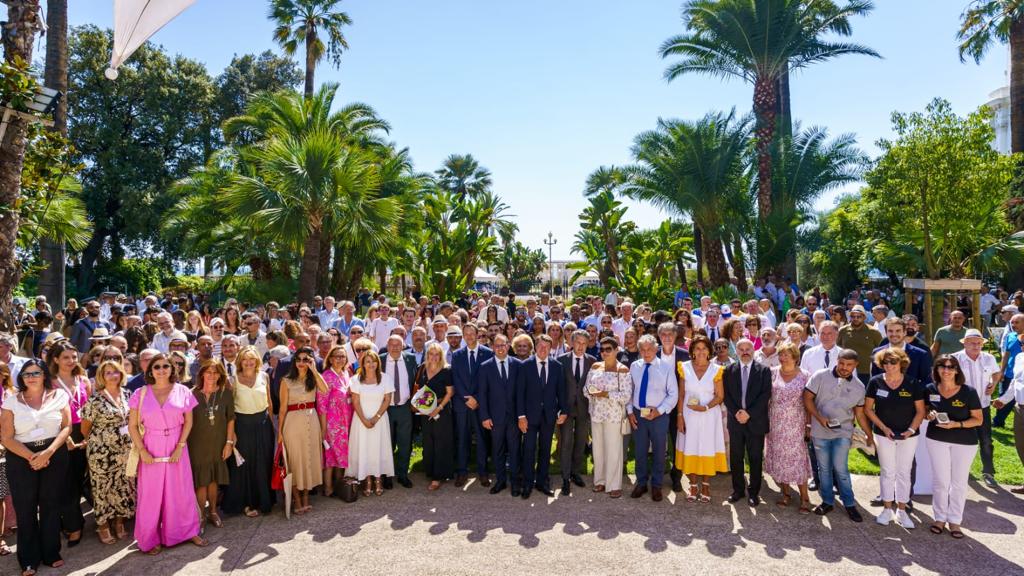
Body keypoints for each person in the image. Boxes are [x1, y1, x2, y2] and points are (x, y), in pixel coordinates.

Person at [128, 353, 207, 555]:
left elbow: (188, 421)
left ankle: (188, 532)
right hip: (151, 445)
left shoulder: (183, 391)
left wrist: (180, 445)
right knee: (150, 496)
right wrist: (143, 451)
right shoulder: (140, 393)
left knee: (180, 491)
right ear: (150, 370)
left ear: (173, 369)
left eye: (166, 366)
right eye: (157, 367)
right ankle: (149, 538)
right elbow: (132, 427)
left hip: (176, 443)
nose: (161, 370)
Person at [1, 358, 72, 575]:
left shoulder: (59, 395)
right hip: (21, 456)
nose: (31, 377)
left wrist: (48, 452)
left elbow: (67, 426)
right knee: (26, 508)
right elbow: (6, 437)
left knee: (50, 505)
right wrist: (33, 457)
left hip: (54, 453)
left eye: (36, 373)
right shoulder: (12, 402)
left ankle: (51, 552)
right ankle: (29, 559)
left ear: (44, 375)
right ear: (21, 378)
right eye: (27, 374)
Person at [803, 349, 873, 522]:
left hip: (843, 431)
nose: (844, 367)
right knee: (824, 468)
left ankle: (849, 504)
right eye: (841, 363)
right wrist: (819, 418)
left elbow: (860, 414)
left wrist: (869, 434)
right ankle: (827, 501)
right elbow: (807, 398)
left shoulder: (859, 387)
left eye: (849, 365)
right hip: (820, 431)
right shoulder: (820, 376)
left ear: (855, 365)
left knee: (840, 468)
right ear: (837, 360)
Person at [864, 348, 925, 529]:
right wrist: (883, 428)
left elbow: (921, 411)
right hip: (883, 434)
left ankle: (902, 510)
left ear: (901, 363)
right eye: (885, 363)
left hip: (909, 435)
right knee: (887, 471)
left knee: (904, 472)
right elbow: (868, 409)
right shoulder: (875, 382)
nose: (889, 366)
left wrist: (910, 430)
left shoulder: (913, 383)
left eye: (893, 362)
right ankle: (887, 509)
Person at [925, 355, 983, 539]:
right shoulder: (930, 389)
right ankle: (940, 518)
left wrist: (956, 425)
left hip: (964, 442)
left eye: (951, 367)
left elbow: (978, 419)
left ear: (957, 370)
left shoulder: (969, 392)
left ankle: (955, 521)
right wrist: (930, 413)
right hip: (937, 439)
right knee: (940, 481)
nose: (946, 370)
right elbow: (925, 410)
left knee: (958, 483)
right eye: (942, 366)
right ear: (937, 370)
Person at [80, 360, 135, 545]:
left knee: (122, 486)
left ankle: (119, 522)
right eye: (108, 373)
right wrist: (102, 439)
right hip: (101, 452)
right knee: (102, 488)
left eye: (115, 372)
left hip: (124, 449)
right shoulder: (95, 399)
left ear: (121, 374)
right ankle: (103, 525)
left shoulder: (127, 393)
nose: (112, 375)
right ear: (102, 377)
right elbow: (84, 429)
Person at [223, 346, 276, 517]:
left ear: (257, 360)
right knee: (244, 465)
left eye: (251, 358)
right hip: (242, 425)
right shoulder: (233, 380)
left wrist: (272, 426)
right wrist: (232, 434)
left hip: (263, 424)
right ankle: (247, 503)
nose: (248, 362)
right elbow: (230, 409)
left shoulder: (264, 376)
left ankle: (264, 500)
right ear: (240, 361)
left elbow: (269, 402)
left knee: (263, 461)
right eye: (245, 359)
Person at [46, 340, 89, 547]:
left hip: (84, 431)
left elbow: (88, 408)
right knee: (67, 481)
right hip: (63, 433)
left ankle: (80, 518)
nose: (71, 361)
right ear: (55, 359)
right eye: (66, 357)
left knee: (83, 478)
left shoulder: (82, 378)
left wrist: (89, 433)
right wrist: (65, 435)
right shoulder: (50, 382)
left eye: (74, 357)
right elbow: (47, 414)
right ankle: (74, 526)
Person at [674, 335, 727, 503]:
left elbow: (720, 396)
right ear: (692, 351)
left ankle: (705, 485)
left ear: (709, 351)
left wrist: (704, 407)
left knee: (706, 448)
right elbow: (681, 395)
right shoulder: (684, 367)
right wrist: (680, 416)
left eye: (704, 348)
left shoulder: (716, 369)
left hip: (709, 415)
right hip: (689, 415)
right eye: (697, 348)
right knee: (690, 448)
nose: (701, 351)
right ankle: (693, 484)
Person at [277, 347, 328, 513]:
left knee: (309, 459)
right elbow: (283, 409)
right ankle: (296, 500)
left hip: (312, 421)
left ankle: (306, 497)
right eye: (298, 359)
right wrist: (280, 432)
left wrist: (313, 369)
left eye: (305, 359)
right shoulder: (286, 381)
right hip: (292, 422)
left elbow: (325, 389)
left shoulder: (313, 379)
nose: (301, 363)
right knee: (295, 461)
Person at [627, 334, 678, 502]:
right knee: (640, 450)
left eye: (649, 349)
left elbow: (673, 394)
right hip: (638, 414)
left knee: (659, 451)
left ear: (656, 349)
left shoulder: (665, 368)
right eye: (642, 349)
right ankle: (641, 483)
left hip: (658, 415)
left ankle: (656, 485)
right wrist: (629, 411)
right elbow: (629, 391)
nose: (646, 352)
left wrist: (660, 410)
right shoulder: (634, 366)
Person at [516, 334, 567, 499]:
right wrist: (521, 416)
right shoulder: (525, 366)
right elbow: (520, 394)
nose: (543, 349)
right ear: (535, 347)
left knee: (545, 449)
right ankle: (528, 483)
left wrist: (563, 411)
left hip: (549, 416)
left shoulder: (557, 366)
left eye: (547, 347)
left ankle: (542, 481)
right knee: (529, 449)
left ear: (551, 348)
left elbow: (561, 392)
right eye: (540, 346)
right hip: (529, 417)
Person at [723, 339, 773, 507]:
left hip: (755, 421)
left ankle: (754, 492)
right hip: (735, 421)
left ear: (753, 350)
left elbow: (765, 395)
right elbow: (726, 395)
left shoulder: (764, 371)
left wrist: (749, 414)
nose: (745, 352)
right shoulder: (729, 370)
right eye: (741, 349)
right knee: (736, 457)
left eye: (748, 349)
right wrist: (738, 412)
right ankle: (737, 491)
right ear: (736, 352)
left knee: (755, 458)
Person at [765, 342, 812, 513]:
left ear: (795, 356)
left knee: (798, 459)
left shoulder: (805, 375)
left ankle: (805, 497)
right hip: (775, 423)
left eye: (787, 354)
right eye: (781, 354)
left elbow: (810, 402)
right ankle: (785, 494)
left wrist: (808, 425)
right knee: (780, 458)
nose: (783, 358)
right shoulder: (772, 373)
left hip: (796, 423)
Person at [188, 361, 236, 529]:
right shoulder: (191, 394)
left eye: (216, 373)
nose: (212, 376)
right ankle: (201, 513)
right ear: (201, 374)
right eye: (208, 372)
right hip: (196, 443)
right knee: (201, 480)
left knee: (214, 478)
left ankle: (213, 511)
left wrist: (229, 443)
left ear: (221, 375)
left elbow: (231, 419)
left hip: (218, 442)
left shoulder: (226, 393)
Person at [583, 337, 632, 498]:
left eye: (608, 349)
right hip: (596, 414)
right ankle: (600, 481)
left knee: (613, 450)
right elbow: (586, 389)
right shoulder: (595, 366)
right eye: (602, 350)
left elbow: (626, 396)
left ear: (616, 350)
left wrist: (605, 394)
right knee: (598, 450)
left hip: (614, 416)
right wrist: (592, 393)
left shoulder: (623, 370)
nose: (604, 352)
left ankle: (614, 485)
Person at [951, 329, 1000, 487]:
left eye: (979, 343)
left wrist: (994, 384)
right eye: (972, 342)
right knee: (959, 441)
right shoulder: (955, 358)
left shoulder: (989, 358)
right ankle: (958, 473)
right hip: (961, 407)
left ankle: (988, 472)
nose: (976, 345)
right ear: (964, 343)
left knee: (986, 440)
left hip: (983, 405)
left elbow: (997, 373)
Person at [450, 323, 493, 488]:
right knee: (462, 439)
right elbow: (456, 379)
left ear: (477, 335)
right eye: (465, 334)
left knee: (482, 440)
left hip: (481, 405)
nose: (469, 336)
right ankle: (462, 472)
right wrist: (466, 398)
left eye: (471, 333)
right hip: (462, 404)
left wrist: (477, 399)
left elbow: (488, 380)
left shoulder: (488, 353)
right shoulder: (457, 355)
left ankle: (483, 473)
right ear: (463, 336)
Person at [348, 350, 395, 496]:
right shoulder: (356, 379)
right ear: (362, 363)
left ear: (378, 363)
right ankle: (367, 480)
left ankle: (378, 479)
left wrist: (376, 418)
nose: (371, 364)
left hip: (379, 420)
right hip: (361, 419)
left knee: (378, 448)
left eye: (373, 361)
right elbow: (355, 401)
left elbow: (387, 400)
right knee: (365, 449)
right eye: (367, 361)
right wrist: (364, 420)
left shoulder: (386, 378)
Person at [557, 329, 595, 495]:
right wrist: (559, 409)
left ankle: (575, 472)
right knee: (566, 442)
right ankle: (565, 477)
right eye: (577, 342)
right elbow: (557, 387)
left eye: (584, 343)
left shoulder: (592, 361)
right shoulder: (561, 360)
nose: (580, 346)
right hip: (565, 409)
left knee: (581, 442)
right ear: (572, 343)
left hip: (584, 408)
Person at [415, 343, 455, 491]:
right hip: (425, 411)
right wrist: (424, 408)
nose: (433, 357)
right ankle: (430, 471)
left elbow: (450, 392)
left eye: (436, 354)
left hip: (441, 410)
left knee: (440, 442)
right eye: (431, 354)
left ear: (441, 355)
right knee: (428, 441)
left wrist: (438, 408)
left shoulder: (446, 370)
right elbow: (420, 389)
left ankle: (438, 476)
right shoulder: (423, 368)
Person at [317, 345, 354, 497]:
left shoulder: (346, 374)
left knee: (342, 455)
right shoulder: (326, 376)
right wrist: (324, 428)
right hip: (332, 423)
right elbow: (321, 404)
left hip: (346, 422)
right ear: (330, 359)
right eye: (337, 356)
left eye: (343, 356)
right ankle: (328, 488)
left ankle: (339, 485)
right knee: (330, 456)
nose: (340, 359)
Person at [381, 335, 417, 489]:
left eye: (398, 345)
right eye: (392, 344)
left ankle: (403, 475)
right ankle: (387, 476)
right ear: (387, 346)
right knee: (387, 443)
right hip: (385, 408)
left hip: (404, 408)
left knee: (405, 443)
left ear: (403, 346)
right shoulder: (380, 360)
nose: (395, 347)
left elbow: (415, 380)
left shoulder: (410, 359)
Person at [837, 305, 882, 384]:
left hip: (867, 372)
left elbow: (881, 351)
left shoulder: (874, 332)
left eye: (859, 316)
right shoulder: (842, 330)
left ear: (864, 317)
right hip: (846, 370)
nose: (856, 319)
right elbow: (837, 349)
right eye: (853, 316)